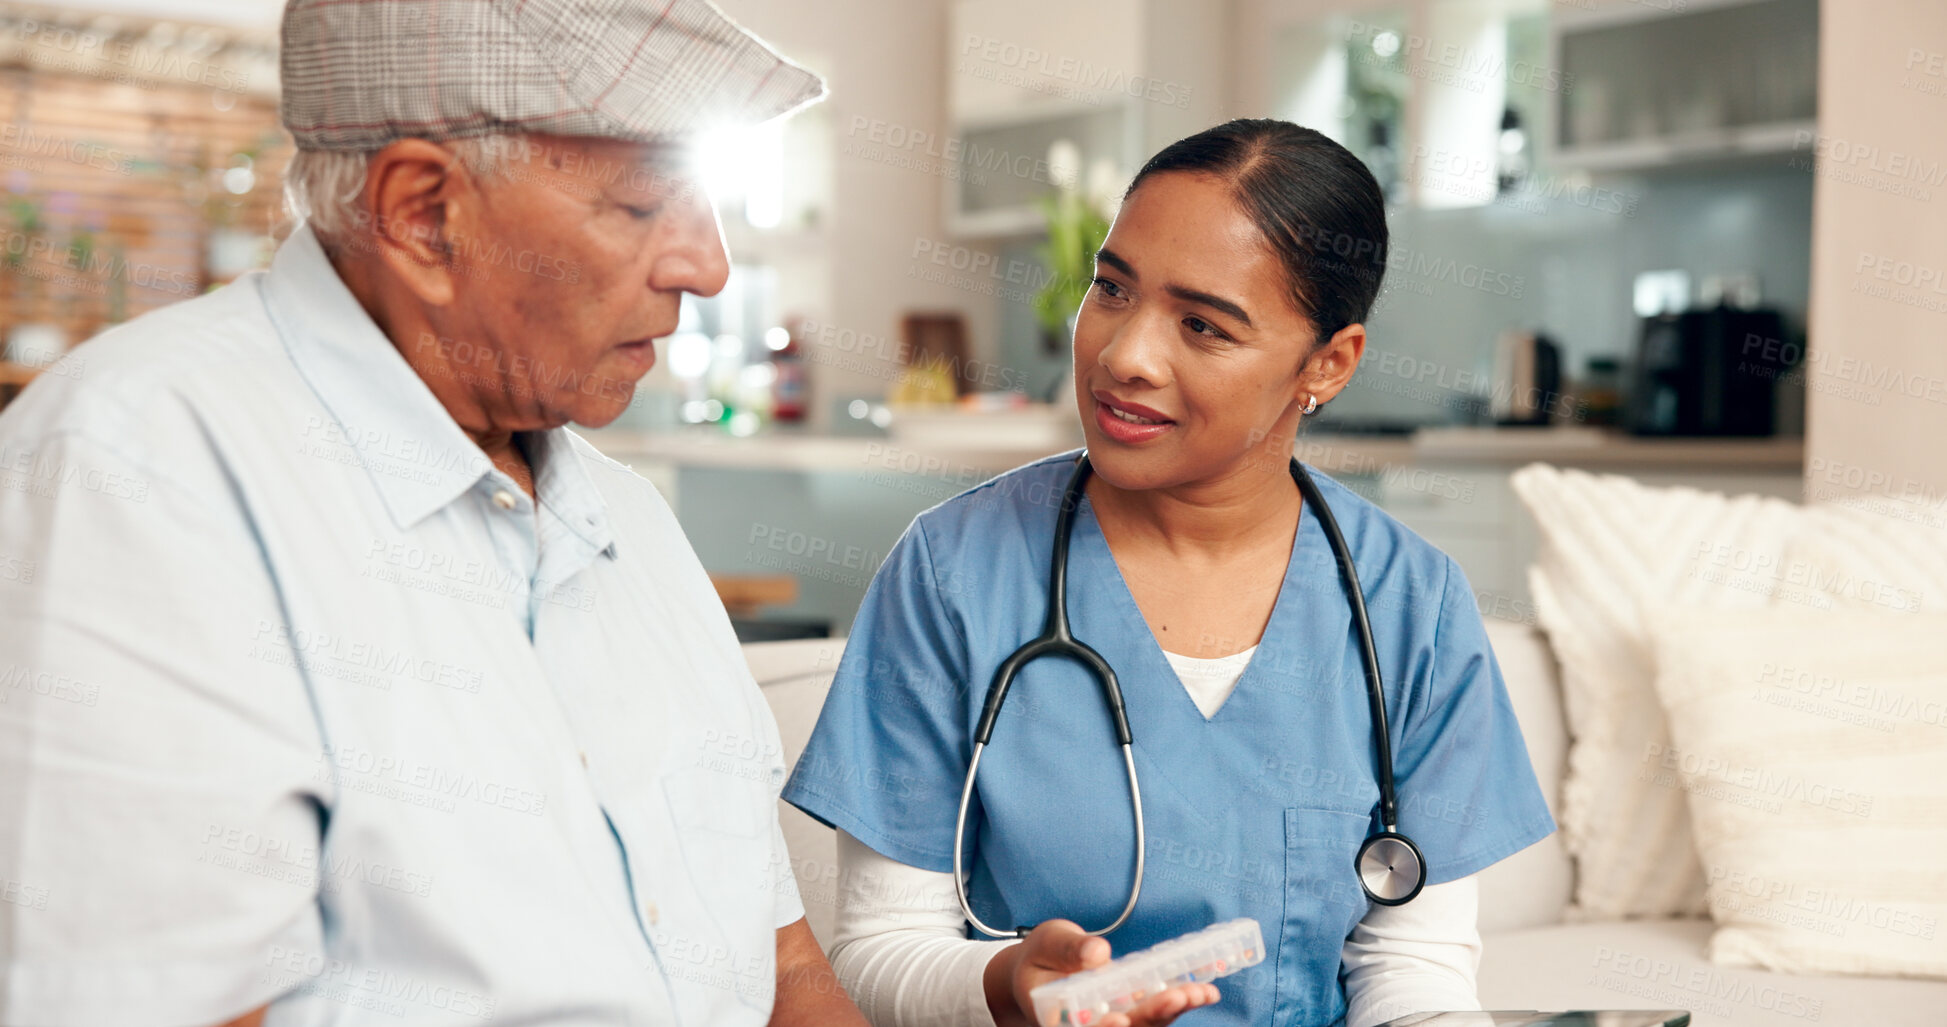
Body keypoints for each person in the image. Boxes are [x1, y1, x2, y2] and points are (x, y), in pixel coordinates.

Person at [0, 2, 868, 1025]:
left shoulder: (630, 517)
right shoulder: (133, 470)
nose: (707, 266)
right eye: (642, 205)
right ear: (421, 213)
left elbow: (786, 971)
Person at [781, 119, 1556, 1027]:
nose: (1124, 355)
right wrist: (1010, 986)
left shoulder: (1409, 604)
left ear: (1327, 364)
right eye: (1110, 288)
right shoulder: (953, 570)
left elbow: (1410, 970)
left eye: (1201, 325)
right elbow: (875, 952)